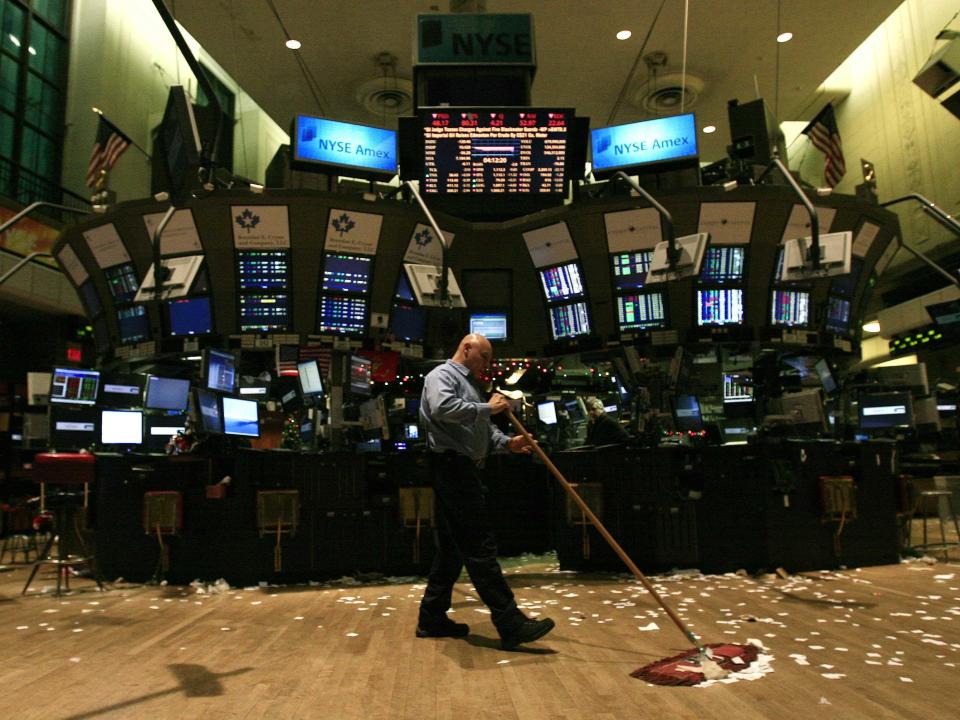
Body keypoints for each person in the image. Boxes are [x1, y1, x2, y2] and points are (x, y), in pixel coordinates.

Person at [417, 333, 556, 650]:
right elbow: (442, 408)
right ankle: (510, 622)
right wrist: (485, 408)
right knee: (479, 546)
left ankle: (431, 617)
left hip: (460, 468)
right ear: (466, 348)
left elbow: (481, 427)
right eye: (485, 357)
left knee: (452, 550)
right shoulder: (441, 376)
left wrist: (508, 442)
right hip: (452, 468)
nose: (487, 365)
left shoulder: (470, 385)